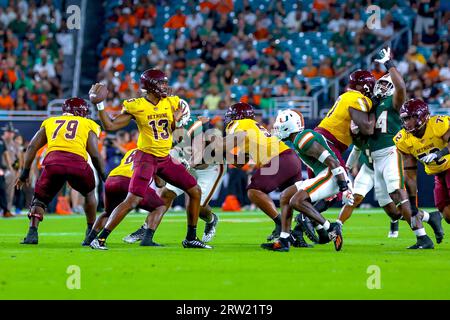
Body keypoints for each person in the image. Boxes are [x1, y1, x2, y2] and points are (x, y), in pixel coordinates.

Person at [88, 69, 209, 249]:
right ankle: (100, 239)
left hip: (164, 158)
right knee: (133, 200)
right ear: (151, 86)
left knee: (194, 190)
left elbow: (174, 132)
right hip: (146, 157)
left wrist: (176, 121)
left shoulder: (171, 102)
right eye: (161, 83)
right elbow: (110, 125)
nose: (165, 87)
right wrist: (99, 105)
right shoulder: (137, 105)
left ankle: (191, 237)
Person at [16, 98, 105, 245]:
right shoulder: (88, 123)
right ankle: (90, 231)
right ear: (81, 112)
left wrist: (24, 173)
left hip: (53, 163)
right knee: (89, 193)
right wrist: (104, 176)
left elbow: (32, 147)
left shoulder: (51, 121)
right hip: (77, 163)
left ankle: (32, 232)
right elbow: (94, 154)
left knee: (40, 198)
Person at [262, 109, 352, 252]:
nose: (277, 129)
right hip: (325, 174)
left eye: (279, 125)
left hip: (331, 175)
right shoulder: (298, 140)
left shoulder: (302, 139)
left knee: (296, 201)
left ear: (289, 126)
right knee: (285, 196)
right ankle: (284, 239)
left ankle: (330, 228)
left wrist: (344, 186)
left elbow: (332, 162)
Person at [224, 102, 304, 242]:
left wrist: (212, 144)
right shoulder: (252, 127)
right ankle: (302, 234)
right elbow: (240, 162)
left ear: (237, 116)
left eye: (231, 117)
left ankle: (280, 224)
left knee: (253, 191)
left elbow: (235, 138)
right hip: (290, 158)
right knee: (291, 201)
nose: (229, 121)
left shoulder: (240, 124)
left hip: (279, 159)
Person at [395, 99, 450, 245]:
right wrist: (413, 204)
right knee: (447, 213)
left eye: (409, 118)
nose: (406, 122)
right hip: (438, 174)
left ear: (421, 116)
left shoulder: (437, 124)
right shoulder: (404, 139)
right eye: (404, 119)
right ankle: (435, 217)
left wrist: (440, 154)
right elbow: (410, 173)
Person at [84, 148, 166, 247]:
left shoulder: (131, 150)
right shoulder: (154, 152)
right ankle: (147, 239)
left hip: (112, 178)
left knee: (108, 212)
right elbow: (160, 183)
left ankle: (89, 239)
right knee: (159, 206)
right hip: (130, 180)